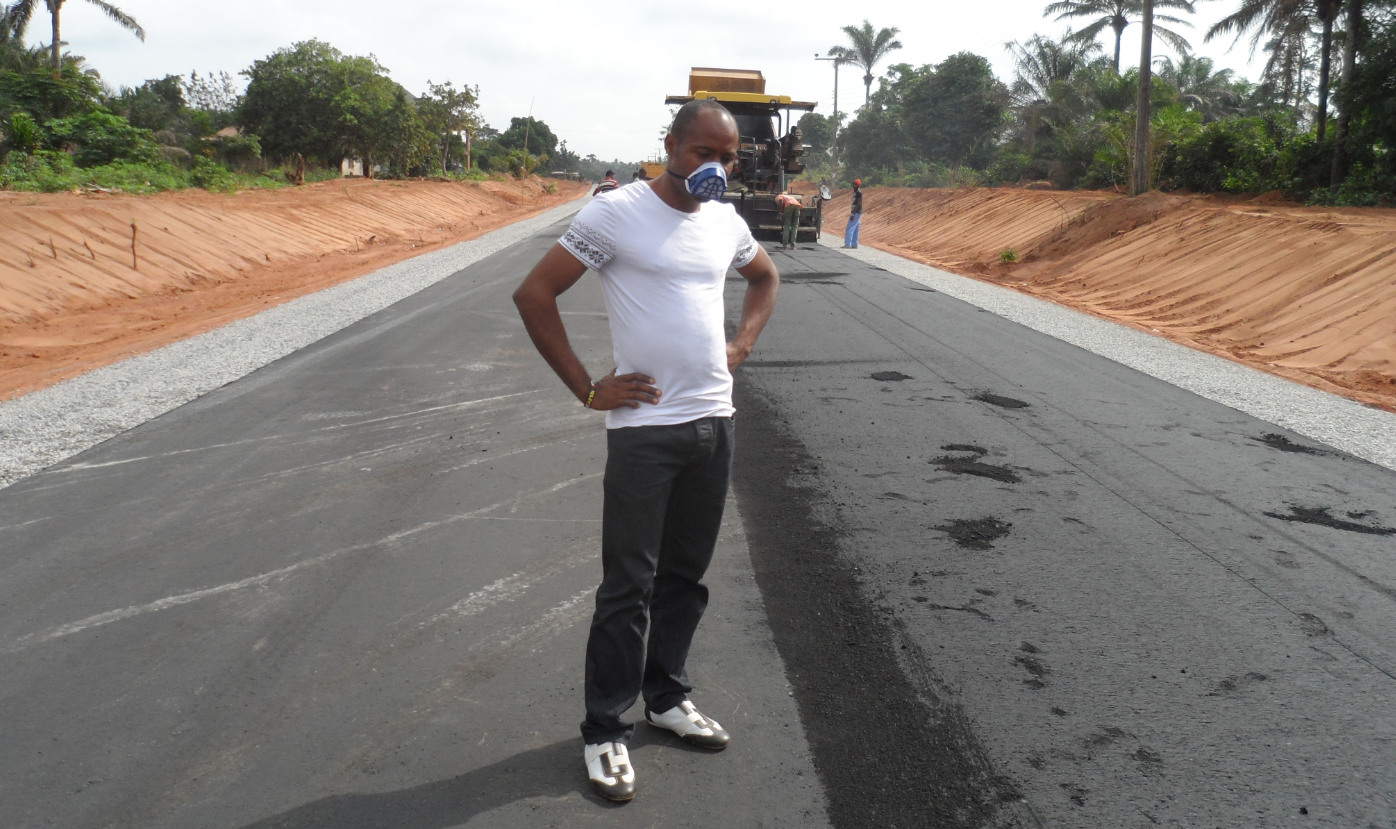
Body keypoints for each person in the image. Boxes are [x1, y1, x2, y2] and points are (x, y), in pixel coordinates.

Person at [512, 99, 780, 803]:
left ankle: (666, 697)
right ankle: (605, 727)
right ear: (670, 146)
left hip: (713, 425)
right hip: (644, 435)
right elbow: (535, 294)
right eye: (703, 154)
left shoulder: (725, 220)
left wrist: (741, 345)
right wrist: (587, 388)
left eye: (729, 158)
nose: (716, 168)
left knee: (685, 577)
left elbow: (765, 278)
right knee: (627, 585)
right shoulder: (616, 214)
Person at [843, 178, 863, 248]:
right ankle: (854, 245)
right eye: (853, 184)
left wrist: (853, 213)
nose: (853, 185)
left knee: (850, 228)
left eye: (855, 184)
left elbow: (859, 204)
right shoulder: (856, 192)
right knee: (856, 229)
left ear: (858, 186)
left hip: (856, 212)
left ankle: (847, 244)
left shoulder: (858, 193)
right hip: (857, 212)